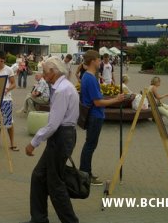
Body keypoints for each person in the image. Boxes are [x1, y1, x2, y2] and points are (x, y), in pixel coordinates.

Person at [23, 57, 79, 223]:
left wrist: (34, 142)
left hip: (61, 136)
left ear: (54, 72)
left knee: (55, 183)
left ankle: (70, 221)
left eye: (46, 72)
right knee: (39, 176)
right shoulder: (64, 86)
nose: (44, 75)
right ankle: (38, 218)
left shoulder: (62, 90)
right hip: (63, 135)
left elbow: (53, 124)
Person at [80, 50, 125, 185]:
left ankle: (84, 173)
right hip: (95, 116)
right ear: (93, 61)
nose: (100, 62)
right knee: (90, 145)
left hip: (93, 115)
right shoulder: (90, 78)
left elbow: (97, 98)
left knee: (89, 145)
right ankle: (85, 174)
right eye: (99, 60)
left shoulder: (88, 77)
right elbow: (98, 102)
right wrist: (116, 99)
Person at [0, 51, 19, 151]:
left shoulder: (8, 70)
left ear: (4, 61)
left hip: (6, 99)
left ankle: (12, 143)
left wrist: (7, 89)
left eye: (1, 61)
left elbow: (13, 84)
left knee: (9, 122)